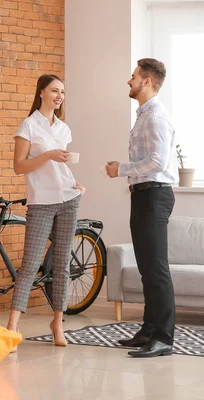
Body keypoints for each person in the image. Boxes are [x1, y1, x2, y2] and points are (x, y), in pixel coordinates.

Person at [6, 74, 85, 350]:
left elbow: (60, 166)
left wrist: (74, 181)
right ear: (41, 92)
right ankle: (12, 326)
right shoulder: (28, 126)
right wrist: (49, 155)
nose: (59, 95)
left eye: (62, 91)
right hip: (40, 201)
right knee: (29, 264)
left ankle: (58, 323)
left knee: (62, 265)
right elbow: (19, 166)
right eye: (54, 90)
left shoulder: (64, 129)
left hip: (68, 198)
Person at [105, 58, 177, 358]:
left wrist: (121, 169)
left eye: (133, 76)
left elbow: (158, 163)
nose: (129, 81)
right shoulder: (144, 114)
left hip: (153, 195)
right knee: (147, 268)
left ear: (147, 81)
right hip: (144, 194)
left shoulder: (155, 117)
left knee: (156, 269)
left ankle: (163, 338)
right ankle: (149, 329)